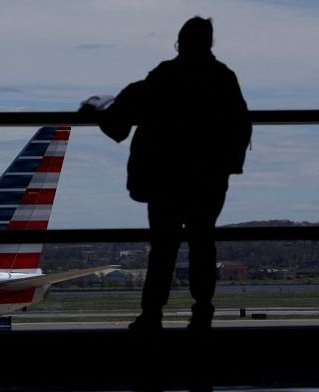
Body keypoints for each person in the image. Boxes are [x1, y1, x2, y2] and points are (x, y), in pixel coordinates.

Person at [82, 16, 252, 334]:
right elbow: (241, 127)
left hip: (165, 181)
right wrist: (224, 166)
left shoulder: (164, 76)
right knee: (203, 243)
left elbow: (122, 116)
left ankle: (152, 314)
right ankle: (202, 312)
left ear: (180, 42)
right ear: (210, 43)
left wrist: (98, 110)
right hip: (207, 180)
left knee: (163, 247)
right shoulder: (222, 78)